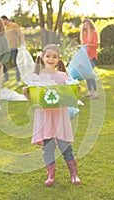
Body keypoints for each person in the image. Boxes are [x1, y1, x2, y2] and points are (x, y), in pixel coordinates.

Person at [22, 44, 81, 186]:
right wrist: (27, 93)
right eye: (48, 56)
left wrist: (75, 90)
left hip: (59, 116)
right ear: (42, 57)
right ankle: (51, 175)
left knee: (65, 146)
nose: (51, 59)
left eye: (54, 57)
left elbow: (68, 95)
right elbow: (35, 99)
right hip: (45, 118)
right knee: (48, 148)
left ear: (59, 59)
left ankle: (74, 174)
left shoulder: (62, 76)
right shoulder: (37, 77)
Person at [0, 15, 26, 86]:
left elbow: (21, 34)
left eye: (2, 21)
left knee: (15, 64)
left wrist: (23, 43)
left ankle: (18, 80)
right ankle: (6, 78)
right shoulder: (4, 28)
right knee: (3, 63)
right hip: (6, 49)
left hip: (14, 48)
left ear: (5, 19)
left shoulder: (14, 25)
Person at [80, 18, 100, 99]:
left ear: (90, 25)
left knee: (90, 74)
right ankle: (90, 92)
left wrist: (89, 45)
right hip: (85, 57)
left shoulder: (94, 33)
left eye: (86, 25)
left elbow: (96, 45)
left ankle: (95, 92)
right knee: (86, 74)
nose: (85, 26)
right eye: (84, 25)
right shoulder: (84, 34)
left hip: (92, 57)